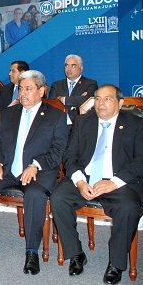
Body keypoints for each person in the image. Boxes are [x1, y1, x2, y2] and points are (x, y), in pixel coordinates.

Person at [0, 70, 68, 275]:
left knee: (35, 194)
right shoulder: (9, 113)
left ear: (42, 91)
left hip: (39, 171)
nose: (23, 93)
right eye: (21, 89)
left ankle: (31, 251)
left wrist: (35, 165)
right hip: (8, 169)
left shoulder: (56, 116)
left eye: (29, 89)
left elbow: (58, 152)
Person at [51, 85, 143, 284]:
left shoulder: (136, 124)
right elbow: (70, 156)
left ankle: (116, 263)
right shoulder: (83, 122)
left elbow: (140, 161)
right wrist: (79, 180)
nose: (101, 103)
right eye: (98, 98)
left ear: (120, 103)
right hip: (86, 177)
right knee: (58, 198)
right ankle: (76, 253)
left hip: (120, 182)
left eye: (107, 99)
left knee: (128, 207)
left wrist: (114, 183)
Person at [49, 54, 98, 125]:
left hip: (81, 124)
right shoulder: (56, 85)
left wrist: (63, 100)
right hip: (60, 124)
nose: (69, 69)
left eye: (73, 66)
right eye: (66, 65)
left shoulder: (90, 84)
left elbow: (87, 101)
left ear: (81, 68)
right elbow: (52, 105)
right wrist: (77, 100)